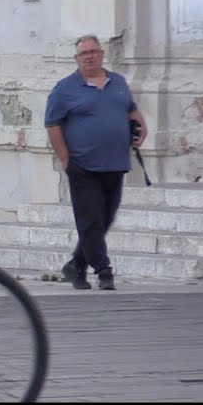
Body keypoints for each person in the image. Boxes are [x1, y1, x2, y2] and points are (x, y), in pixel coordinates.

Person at [44, 35, 146, 291]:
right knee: (90, 220)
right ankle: (103, 270)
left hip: (116, 163)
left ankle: (77, 265)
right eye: (83, 53)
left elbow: (131, 109)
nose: (89, 56)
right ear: (76, 58)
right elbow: (52, 124)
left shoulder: (118, 82)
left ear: (102, 54)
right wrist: (65, 158)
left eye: (93, 51)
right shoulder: (64, 89)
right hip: (83, 165)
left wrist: (141, 126)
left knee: (105, 218)